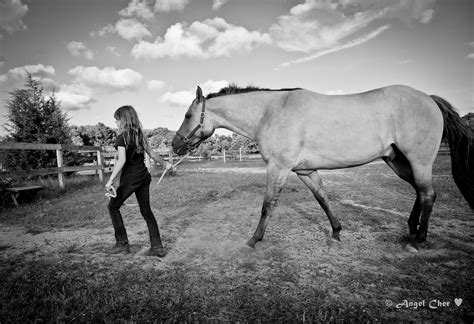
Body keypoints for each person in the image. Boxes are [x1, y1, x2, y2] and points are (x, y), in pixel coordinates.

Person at [105, 105, 172, 257]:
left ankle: (122, 244)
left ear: (123, 120)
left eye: (116, 120)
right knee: (146, 211)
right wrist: (165, 164)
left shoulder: (122, 137)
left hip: (130, 180)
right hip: (143, 177)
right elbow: (153, 154)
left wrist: (110, 181)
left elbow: (121, 161)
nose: (115, 123)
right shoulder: (140, 136)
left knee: (113, 207)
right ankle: (157, 247)